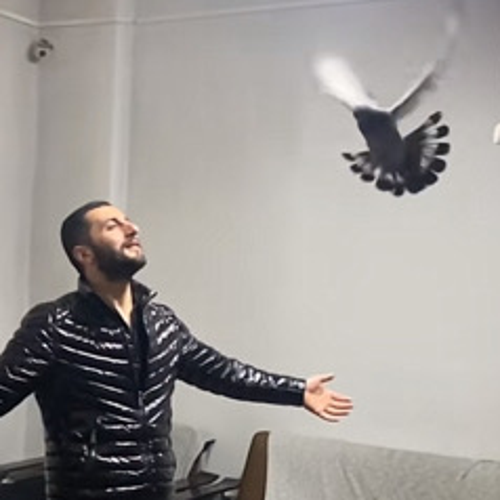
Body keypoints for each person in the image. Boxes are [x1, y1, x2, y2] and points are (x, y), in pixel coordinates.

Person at [0, 200, 353, 500]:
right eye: (113, 226)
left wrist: (296, 390)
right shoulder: (54, 323)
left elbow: (223, 373)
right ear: (84, 254)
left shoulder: (161, 322)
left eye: (128, 221)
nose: (132, 229)